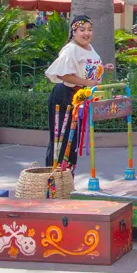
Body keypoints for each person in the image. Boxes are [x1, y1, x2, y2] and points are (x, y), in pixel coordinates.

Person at [44, 16, 104, 168]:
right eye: (82, 30)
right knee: (62, 141)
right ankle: (55, 179)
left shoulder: (89, 47)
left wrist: (104, 69)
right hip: (65, 96)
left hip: (80, 99)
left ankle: (68, 179)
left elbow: (86, 69)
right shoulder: (70, 49)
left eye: (90, 30)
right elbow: (62, 73)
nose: (86, 33)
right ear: (74, 31)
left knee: (73, 141)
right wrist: (87, 83)